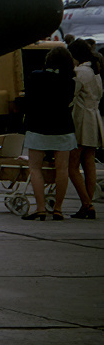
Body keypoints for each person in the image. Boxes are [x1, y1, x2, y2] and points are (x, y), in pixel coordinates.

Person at [21, 46, 77, 221]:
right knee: (62, 169)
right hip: (63, 127)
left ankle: (40, 208)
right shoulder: (69, 81)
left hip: (38, 126)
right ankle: (58, 209)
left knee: (35, 168)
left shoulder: (35, 76)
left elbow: (28, 100)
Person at [66, 39, 100, 219]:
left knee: (72, 166)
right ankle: (87, 204)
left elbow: (71, 96)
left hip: (80, 119)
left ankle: (87, 204)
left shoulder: (79, 72)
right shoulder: (95, 72)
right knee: (89, 163)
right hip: (94, 118)